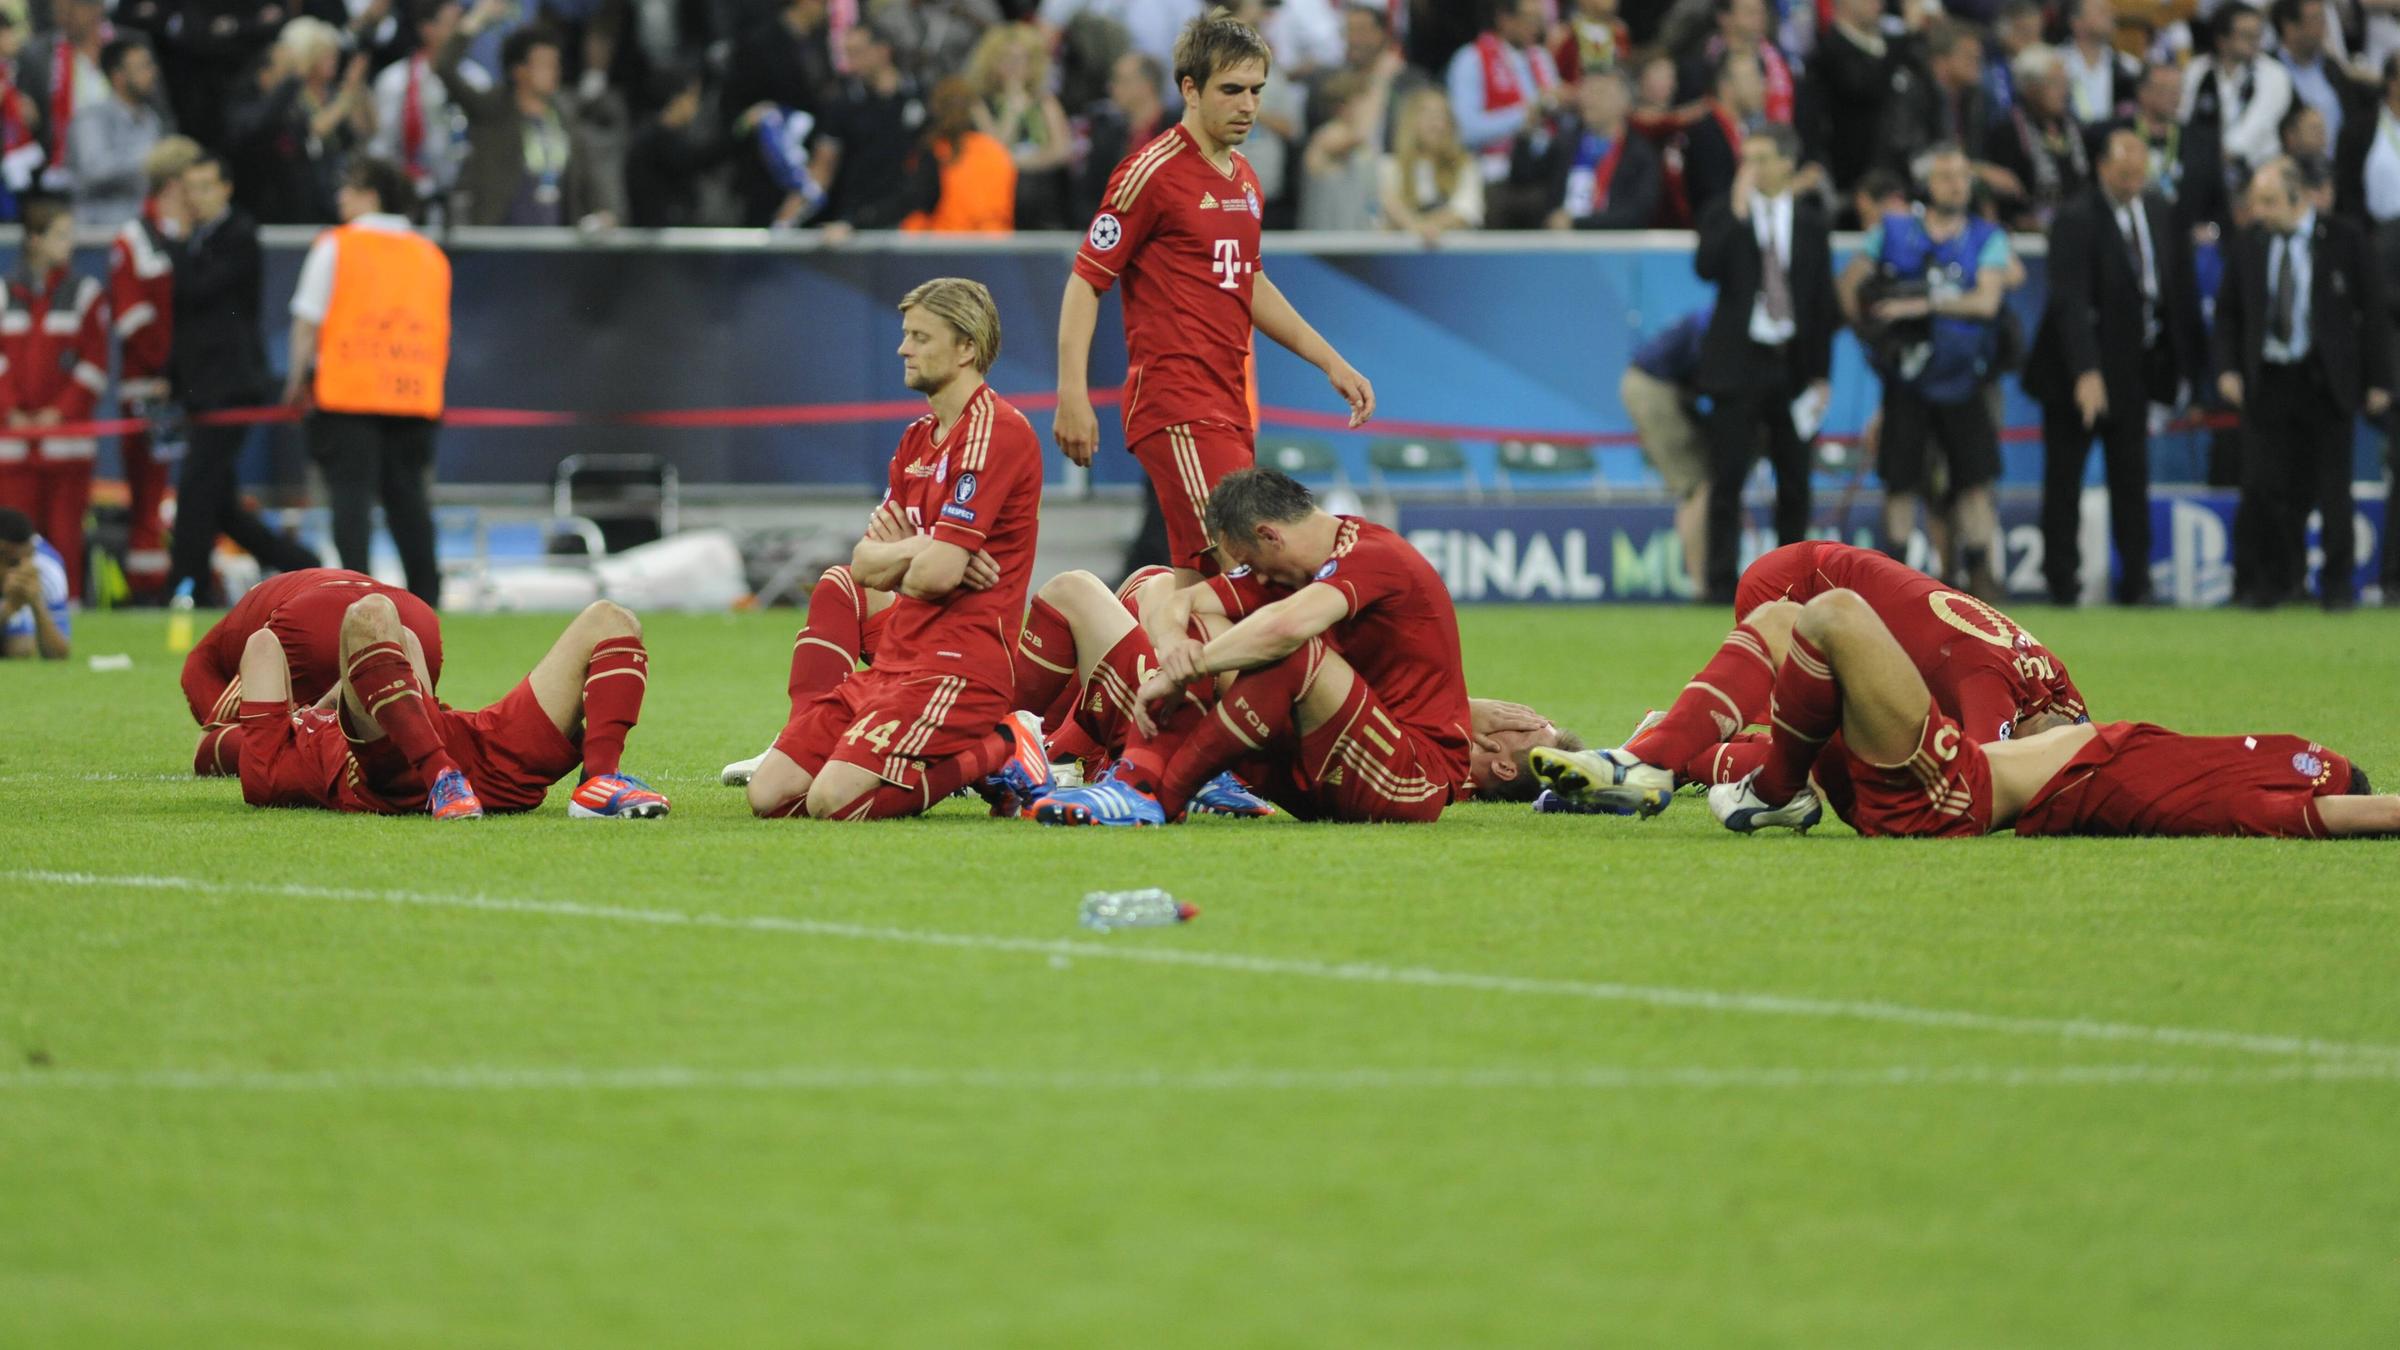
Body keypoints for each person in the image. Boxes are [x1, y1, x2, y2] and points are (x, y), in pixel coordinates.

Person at [1028, 468, 1567, 825]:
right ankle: (1100, 768)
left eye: (1247, 560)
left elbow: (1286, 632)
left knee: (1284, 646)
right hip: (1327, 765)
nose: (1249, 574)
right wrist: (1173, 644)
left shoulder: (1376, 556)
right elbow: (1170, 595)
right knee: (1191, 610)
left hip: (1410, 778)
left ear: (1269, 536)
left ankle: (1151, 789)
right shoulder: (1289, 570)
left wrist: (1182, 669)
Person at [1055, 12, 1375, 588]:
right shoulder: (1149, 172)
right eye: (1231, 90)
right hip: (1177, 402)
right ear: (1189, 89)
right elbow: (1086, 280)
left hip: (1225, 403)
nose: (1248, 105)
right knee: (1255, 574)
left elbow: (1248, 282)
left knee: (1198, 583)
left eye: (1256, 90)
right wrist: (1072, 394)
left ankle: (1140, 671)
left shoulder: (1244, 178)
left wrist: (1331, 361)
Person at [1694, 587, 2395, 839]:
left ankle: (1775, 794)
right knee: (1786, 618)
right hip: (1941, 780)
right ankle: (1654, 752)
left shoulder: (2248, 801)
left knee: (1834, 616)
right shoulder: (2226, 758)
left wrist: (2368, 808)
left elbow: (2355, 813)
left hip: (1949, 793)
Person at [746, 278, 1051, 822]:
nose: (902, 349)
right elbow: (865, 565)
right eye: (905, 334)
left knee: (833, 803)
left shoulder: (995, 432)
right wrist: (930, 545)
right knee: (769, 796)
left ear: (966, 348)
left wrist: (913, 559)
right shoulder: (916, 439)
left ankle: (999, 745)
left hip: (958, 669)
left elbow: (933, 578)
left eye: (919, 337)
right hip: (893, 664)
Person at [1530, 539, 2085, 817]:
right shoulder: (1992, 683)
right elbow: (1984, 781)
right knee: (1840, 763)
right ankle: (1660, 755)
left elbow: (2072, 738)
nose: (2055, 752)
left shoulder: (2055, 694)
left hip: (1821, 573)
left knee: (1850, 750)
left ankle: (1657, 743)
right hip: (1798, 585)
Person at [1013, 562, 1565, 811]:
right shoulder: (1428, 748)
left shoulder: (1410, 760)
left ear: (1502, 759)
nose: (1520, 711)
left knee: (1088, 591)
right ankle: (1042, 749)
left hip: (1193, 736)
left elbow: (1309, 676)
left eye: (1531, 723)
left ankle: (999, 738)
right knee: (1149, 590)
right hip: (1222, 740)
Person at [235, 593, 668, 821]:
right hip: (395, 773)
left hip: (472, 750)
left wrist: (316, 705)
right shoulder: (268, 768)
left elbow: (406, 655)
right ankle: (441, 777)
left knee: (612, 619)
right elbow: (262, 645)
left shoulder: (311, 722)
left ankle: (599, 783)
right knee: (370, 613)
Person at [2025, 127, 2207, 607]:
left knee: (2132, 478)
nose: (2133, 176)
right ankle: (2062, 581)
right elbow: (2069, 300)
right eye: (2124, 168)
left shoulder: (2160, 212)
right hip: (2072, 374)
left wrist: (2183, 368)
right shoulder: (2076, 218)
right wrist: (2086, 373)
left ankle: (2138, 582)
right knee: (2064, 480)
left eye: (2139, 168)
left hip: (2135, 370)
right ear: (2102, 166)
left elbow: (2175, 293)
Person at [2214, 156, 2391, 610]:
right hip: (2269, 380)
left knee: (2334, 490)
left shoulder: (2345, 240)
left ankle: (2337, 586)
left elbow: (2373, 314)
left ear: (2299, 198)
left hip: (2325, 380)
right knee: (2265, 486)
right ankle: (2276, 582)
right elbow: (2228, 312)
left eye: (2270, 202)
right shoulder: (2249, 243)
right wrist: (2228, 369)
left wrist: (2379, 379)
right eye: (2256, 202)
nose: (2261, 212)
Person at [1842, 143, 2016, 589]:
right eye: (1946, 176)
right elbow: (1848, 284)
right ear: (1928, 183)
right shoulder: (1894, 231)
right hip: (1905, 380)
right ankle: (1889, 583)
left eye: (1963, 177)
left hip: (1963, 378)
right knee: (1899, 483)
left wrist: (1921, 305)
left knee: (1973, 482)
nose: (1956, 185)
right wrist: (1868, 332)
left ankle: (1980, 580)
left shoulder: (1986, 236)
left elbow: (1986, 301)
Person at [285, 156, 451, 609]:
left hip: (348, 393)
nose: (340, 197)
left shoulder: (337, 246)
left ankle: (357, 601)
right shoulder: (429, 253)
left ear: (372, 195)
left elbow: (307, 322)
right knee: (410, 504)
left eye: (350, 187)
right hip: (412, 394)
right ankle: (428, 598)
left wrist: (297, 379)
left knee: (351, 503)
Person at [165, 151, 326, 605]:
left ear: (225, 188)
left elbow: (197, 290)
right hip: (203, 385)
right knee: (221, 505)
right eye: (189, 188)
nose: (194, 198)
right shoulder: (201, 238)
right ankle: (304, 563)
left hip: (230, 384)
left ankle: (185, 588)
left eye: (202, 187)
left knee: (197, 488)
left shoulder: (239, 235)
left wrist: (175, 241)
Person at [1692, 123, 1834, 604]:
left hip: (1790, 364)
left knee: (1794, 480)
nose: (1749, 168)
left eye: (1760, 158)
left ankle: (1791, 588)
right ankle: (1719, 584)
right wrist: (1735, 211)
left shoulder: (1811, 223)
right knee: (1727, 477)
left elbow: (1821, 304)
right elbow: (1706, 267)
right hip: (1738, 363)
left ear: (1786, 163)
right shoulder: (1726, 214)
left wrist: (1821, 376)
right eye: (1744, 158)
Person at [181, 567, 444, 777]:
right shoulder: (251, 614)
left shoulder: (217, 655)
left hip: (313, 617)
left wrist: (304, 714)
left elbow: (210, 742)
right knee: (418, 732)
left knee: (261, 752)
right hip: (412, 614)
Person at [0, 196, 107, 601]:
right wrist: (12, 412)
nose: (70, 243)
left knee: (65, 537)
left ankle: (67, 610)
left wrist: (57, 414)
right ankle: (13, 614)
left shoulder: (86, 293)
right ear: (33, 238)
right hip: (11, 446)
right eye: (61, 235)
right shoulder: (4, 292)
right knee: (12, 539)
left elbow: (94, 364)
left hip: (67, 443)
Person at [108, 134, 200, 602]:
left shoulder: (188, 235)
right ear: (172, 184)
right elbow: (131, 317)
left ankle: (170, 578)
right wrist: (167, 365)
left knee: (179, 489)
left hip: (185, 384)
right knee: (148, 491)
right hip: (151, 386)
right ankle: (146, 588)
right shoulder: (135, 239)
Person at [440, 11, 606, 226]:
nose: (554, 72)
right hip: (500, 237)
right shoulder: (492, 110)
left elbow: (584, 176)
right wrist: (478, 17)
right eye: (545, 64)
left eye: (556, 64)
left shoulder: (564, 115)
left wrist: (600, 211)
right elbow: (445, 68)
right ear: (519, 71)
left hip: (556, 241)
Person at [228, 18, 375, 225]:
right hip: (277, 203)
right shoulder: (285, 99)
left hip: (324, 193)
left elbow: (363, 132)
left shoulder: (328, 93)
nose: (332, 60)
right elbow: (309, 131)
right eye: (323, 54)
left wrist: (356, 90)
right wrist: (346, 97)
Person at [1619, 306, 1714, 593]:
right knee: (1698, 487)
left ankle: (1701, 580)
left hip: (1662, 385)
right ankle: (1701, 584)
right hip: (1654, 387)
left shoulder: (1713, 314)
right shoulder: (1716, 322)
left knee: (1697, 488)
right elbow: (1708, 371)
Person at [372, 0, 484, 213]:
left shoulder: (476, 80)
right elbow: (382, 147)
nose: (460, 30)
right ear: (427, 29)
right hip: (411, 198)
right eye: (452, 23)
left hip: (466, 198)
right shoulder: (395, 81)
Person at [1444, 0, 1562, 189]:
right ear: (1504, 19)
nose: (1536, 27)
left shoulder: (1542, 58)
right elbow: (1465, 130)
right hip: (1494, 174)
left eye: (1540, 20)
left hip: (1544, 168)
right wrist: (1523, 116)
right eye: (1530, 18)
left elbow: (1553, 105)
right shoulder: (1470, 59)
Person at [966, 22, 1072, 230]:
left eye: (1020, 59)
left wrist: (1021, 162)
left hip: (1042, 199)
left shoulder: (1045, 102)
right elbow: (994, 150)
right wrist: (1012, 110)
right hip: (997, 199)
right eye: (1005, 58)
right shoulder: (979, 103)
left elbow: (1062, 150)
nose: (1013, 66)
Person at [1535, 66, 1662, 230]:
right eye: (1586, 90)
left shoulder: (1641, 155)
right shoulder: (1565, 144)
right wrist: (1530, 127)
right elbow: (1523, 176)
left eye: (1599, 92)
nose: (1588, 99)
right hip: (1560, 246)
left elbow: (1638, 213)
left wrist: (1577, 224)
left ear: (1624, 102)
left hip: (1613, 247)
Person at [2182, 4, 2293, 176]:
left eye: (2257, 35)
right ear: (2222, 40)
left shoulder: (2274, 74)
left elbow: (2257, 125)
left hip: (2258, 167)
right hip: (2201, 166)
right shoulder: (2196, 70)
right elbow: (2183, 115)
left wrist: (2218, 154)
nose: (2254, 42)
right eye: (2246, 35)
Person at [66, 37, 164, 230]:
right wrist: (150, 158)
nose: (153, 72)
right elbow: (93, 170)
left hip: (141, 228)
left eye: (151, 65)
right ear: (118, 76)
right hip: (98, 231)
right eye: (143, 67)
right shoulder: (91, 118)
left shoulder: (151, 120)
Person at [1993, 45, 2092, 230]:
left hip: (2076, 229)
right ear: (2030, 88)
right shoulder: (2007, 132)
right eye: (2054, 83)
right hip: (2026, 235)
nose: (2064, 91)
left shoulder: (2075, 128)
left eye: (2065, 83)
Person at [899, 75, 1013, 233]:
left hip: (944, 246)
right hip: (994, 248)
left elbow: (917, 205)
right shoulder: (996, 151)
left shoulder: (932, 150)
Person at [1380, 86, 1484, 238]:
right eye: (1428, 116)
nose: (1437, 125)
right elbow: (1386, 209)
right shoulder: (1389, 167)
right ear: (1411, 121)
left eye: (1442, 116)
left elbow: (1465, 212)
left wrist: (1427, 226)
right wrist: (1415, 227)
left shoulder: (1464, 166)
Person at [1680, 49, 1765, 218]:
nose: (1762, 86)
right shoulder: (1705, 133)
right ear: (1726, 86)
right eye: (1753, 78)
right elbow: (1711, 196)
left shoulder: (1745, 129)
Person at [0, 505, 70, 659]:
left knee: (20, 647)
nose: (25, 567)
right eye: (15, 562)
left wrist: (37, 603)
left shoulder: (47, 568)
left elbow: (58, 654)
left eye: (30, 556)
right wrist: (7, 610)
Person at [2058, 0, 2139, 128]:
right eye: (2101, 11)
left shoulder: (2128, 66)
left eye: (2110, 11)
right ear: (2077, 22)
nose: (2110, 15)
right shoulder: (2057, 62)